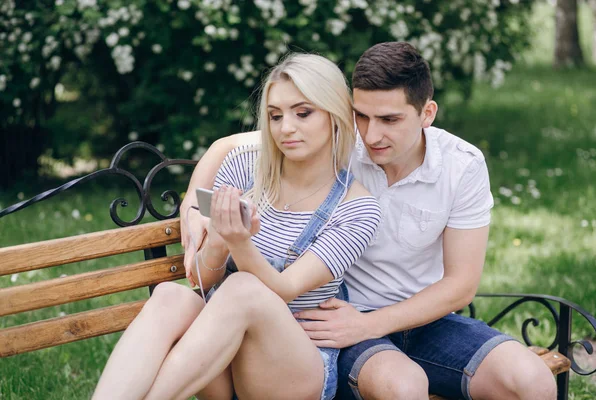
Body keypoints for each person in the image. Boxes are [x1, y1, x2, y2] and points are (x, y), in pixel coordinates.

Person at [180, 42, 557, 400]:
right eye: (362, 115)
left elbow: (460, 285)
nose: (372, 135)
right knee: (401, 386)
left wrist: (373, 324)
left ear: (427, 113)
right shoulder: (339, 142)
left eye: (390, 119)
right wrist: (193, 210)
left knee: (532, 381)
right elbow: (226, 147)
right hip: (340, 320)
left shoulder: (462, 165)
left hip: (422, 319)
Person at [92, 53, 381, 400]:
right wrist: (216, 243)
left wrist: (239, 242)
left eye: (303, 113)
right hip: (217, 350)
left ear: (335, 115)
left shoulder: (357, 207)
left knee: (244, 287)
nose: (286, 127)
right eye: (275, 116)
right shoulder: (245, 167)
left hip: (291, 362)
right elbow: (200, 281)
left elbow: (284, 289)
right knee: (170, 297)